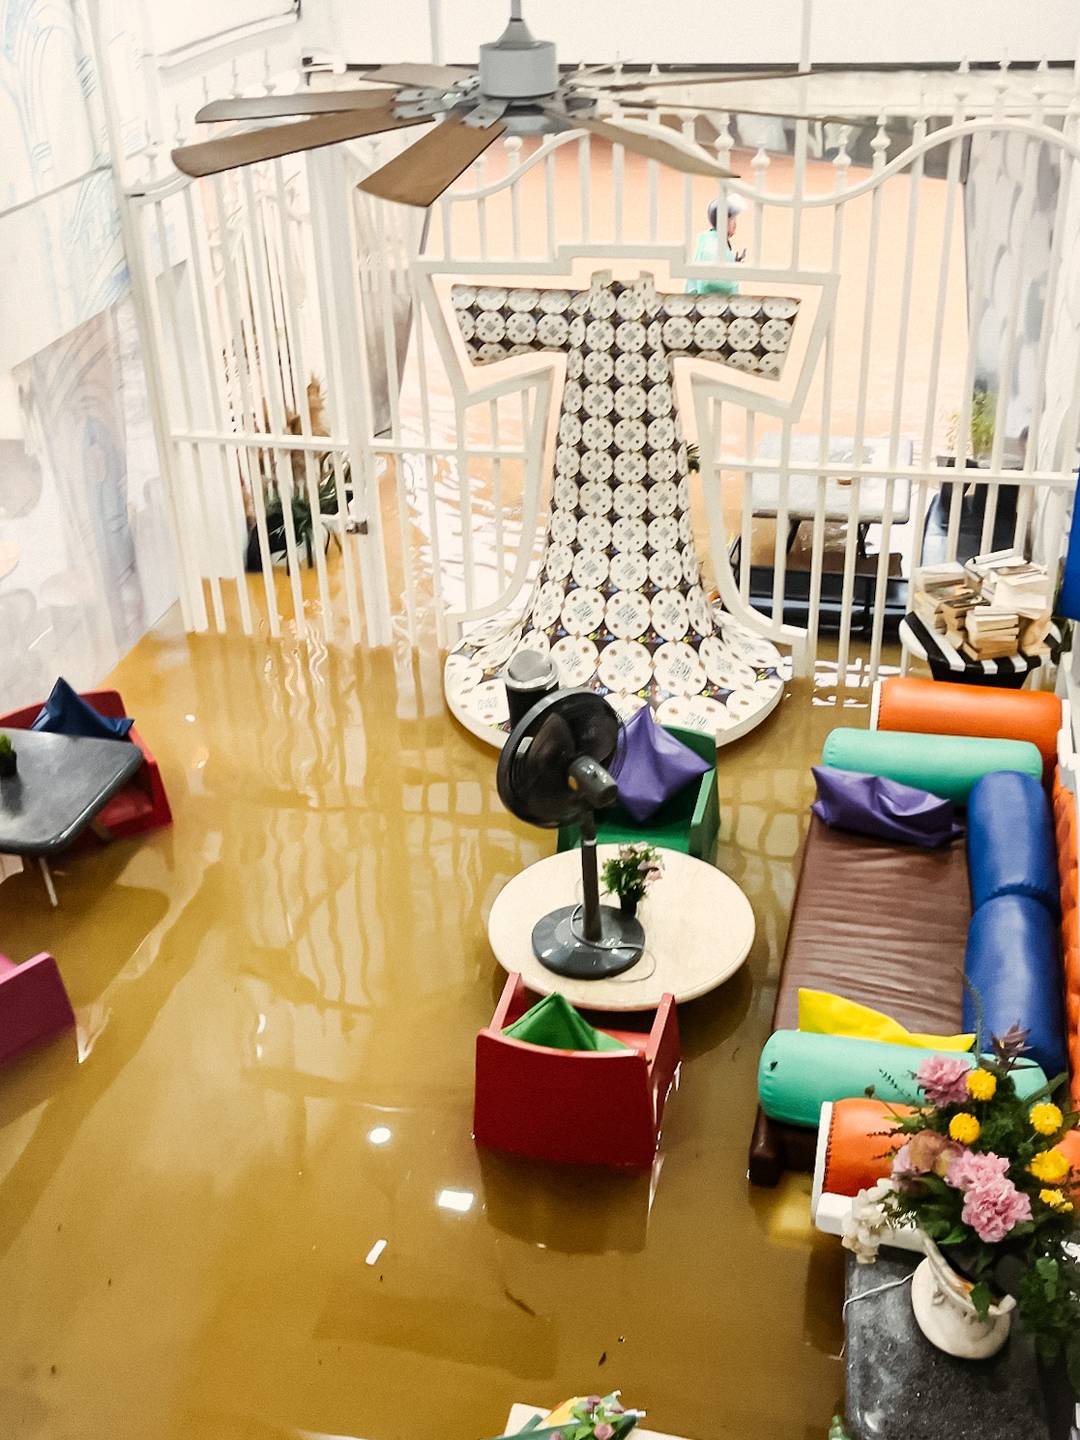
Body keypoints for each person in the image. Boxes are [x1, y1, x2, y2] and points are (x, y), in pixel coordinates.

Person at [686, 195, 747, 297]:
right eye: (732, 219)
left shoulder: (715, 240)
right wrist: (735, 274)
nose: (735, 223)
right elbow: (710, 279)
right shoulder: (712, 244)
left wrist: (733, 264)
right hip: (710, 305)